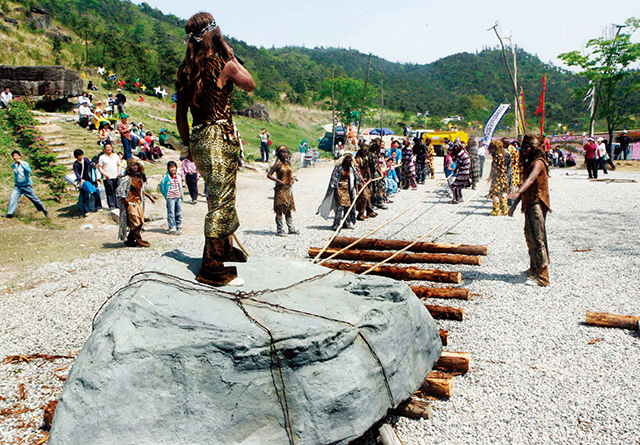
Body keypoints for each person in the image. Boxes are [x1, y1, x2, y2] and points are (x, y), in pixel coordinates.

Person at [176, 11, 255, 287]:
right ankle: (211, 267)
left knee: (219, 195)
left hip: (198, 137)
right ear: (214, 34)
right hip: (219, 136)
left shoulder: (185, 70)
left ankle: (223, 248)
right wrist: (230, 53)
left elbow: (180, 117)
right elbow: (251, 84)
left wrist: (188, 146)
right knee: (221, 201)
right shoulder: (225, 64)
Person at [508, 134, 551, 287]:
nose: (522, 151)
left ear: (532, 148)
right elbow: (525, 185)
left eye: (525, 148)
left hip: (537, 204)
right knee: (530, 236)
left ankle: (543, 276)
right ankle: (534, 268)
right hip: (528, 203)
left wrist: (518, 192)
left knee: (538, 238)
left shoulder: (539, 162)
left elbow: (530, 180)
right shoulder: (529, 162)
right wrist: (514, 205)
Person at [116, 159, 155, 247]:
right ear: (129, 168)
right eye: (133, 165)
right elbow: (119, 191)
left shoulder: (139, 178)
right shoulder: (127, 179)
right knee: (134, 222)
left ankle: (130, 240)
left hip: (138, 202)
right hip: (130, 203)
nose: (135, 167)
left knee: (140, 222)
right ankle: (139, 240)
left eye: (136, 165)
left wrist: (149, 197)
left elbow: (141, 190)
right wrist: (125, 201)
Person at [318, 154, 359, 230]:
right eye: (347, 159)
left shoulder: (352, 169)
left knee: (348, 207)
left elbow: (356, 179)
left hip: (348, 190)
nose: (349, 161)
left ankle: (346, 223)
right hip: (339, 189)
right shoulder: (338, 168)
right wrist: (337, 191)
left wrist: (356, 190)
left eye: (350, 159)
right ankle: (336, 224)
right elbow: (334, 180)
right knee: (339, 207)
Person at [2, 150, 48, 218]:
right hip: (18, 186)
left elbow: (29, 171)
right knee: (13, 198)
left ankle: (44, 210)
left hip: (26, 186)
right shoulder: (13, 165)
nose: (15, 157)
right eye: (13, 156)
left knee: (35, 199)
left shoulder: (24, 163)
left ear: (19, 156)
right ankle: (9, 214)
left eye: (16, 156)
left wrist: (22, 164)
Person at [267, 146, 299, 236]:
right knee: (279, 209)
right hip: (280, 189)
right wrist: (279, 181)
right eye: (282, 152)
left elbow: (288, 173)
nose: (285, 154)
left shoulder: (287, 163)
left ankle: (291, 228)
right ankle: (280, 229)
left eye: (286, 152)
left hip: (288, 188)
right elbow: (269, 175)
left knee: (288, 208)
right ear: (278, 154)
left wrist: (292, 178)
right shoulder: (278, 163)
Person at [73, 149, 102, 215]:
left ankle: (98, 207)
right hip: (83, 181)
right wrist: (80, 179)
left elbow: (90, 165)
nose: (81, 156)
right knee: (85, 196)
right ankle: (86, 210)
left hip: (90, 179)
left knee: (96, 192)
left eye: (81, 155)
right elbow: (76, 173)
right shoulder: (75, 164)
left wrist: (94, 165)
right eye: (79, 155)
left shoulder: (85, 160)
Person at [159, 160, 183, 235]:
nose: (172, 169)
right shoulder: (166, 177)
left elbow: (180, 186)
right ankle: (172, 226)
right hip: (170, 197)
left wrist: (181, 195)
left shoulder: (178, 176)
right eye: (171, 168)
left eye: (174, 167)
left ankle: (178, 225)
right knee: (171, 213)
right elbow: (161, 187)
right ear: (168, 169)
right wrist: (166, 195)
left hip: (178, 196)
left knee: (178, 212)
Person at [488, 140, 509, 216]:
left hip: (497, 177)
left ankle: (496, 210)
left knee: (495, 194)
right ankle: (504, 210)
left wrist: (490, 176)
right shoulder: (502, 155)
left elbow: (494, 168)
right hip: (503, 177)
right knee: (502, 193)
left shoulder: (497, 157)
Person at [97, 143, 121, 209]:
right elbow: (100, 167)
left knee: (118, 191)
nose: (108, 149)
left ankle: (118, 205)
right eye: (107, 147)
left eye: (109, 147)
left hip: (116, 176)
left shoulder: (116, 156)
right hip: (107, 177)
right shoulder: (102, 157)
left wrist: (119, 172)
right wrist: (104, 174)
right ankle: (111, 205)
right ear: (104, 149)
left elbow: (119, 165)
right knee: (109, 192)